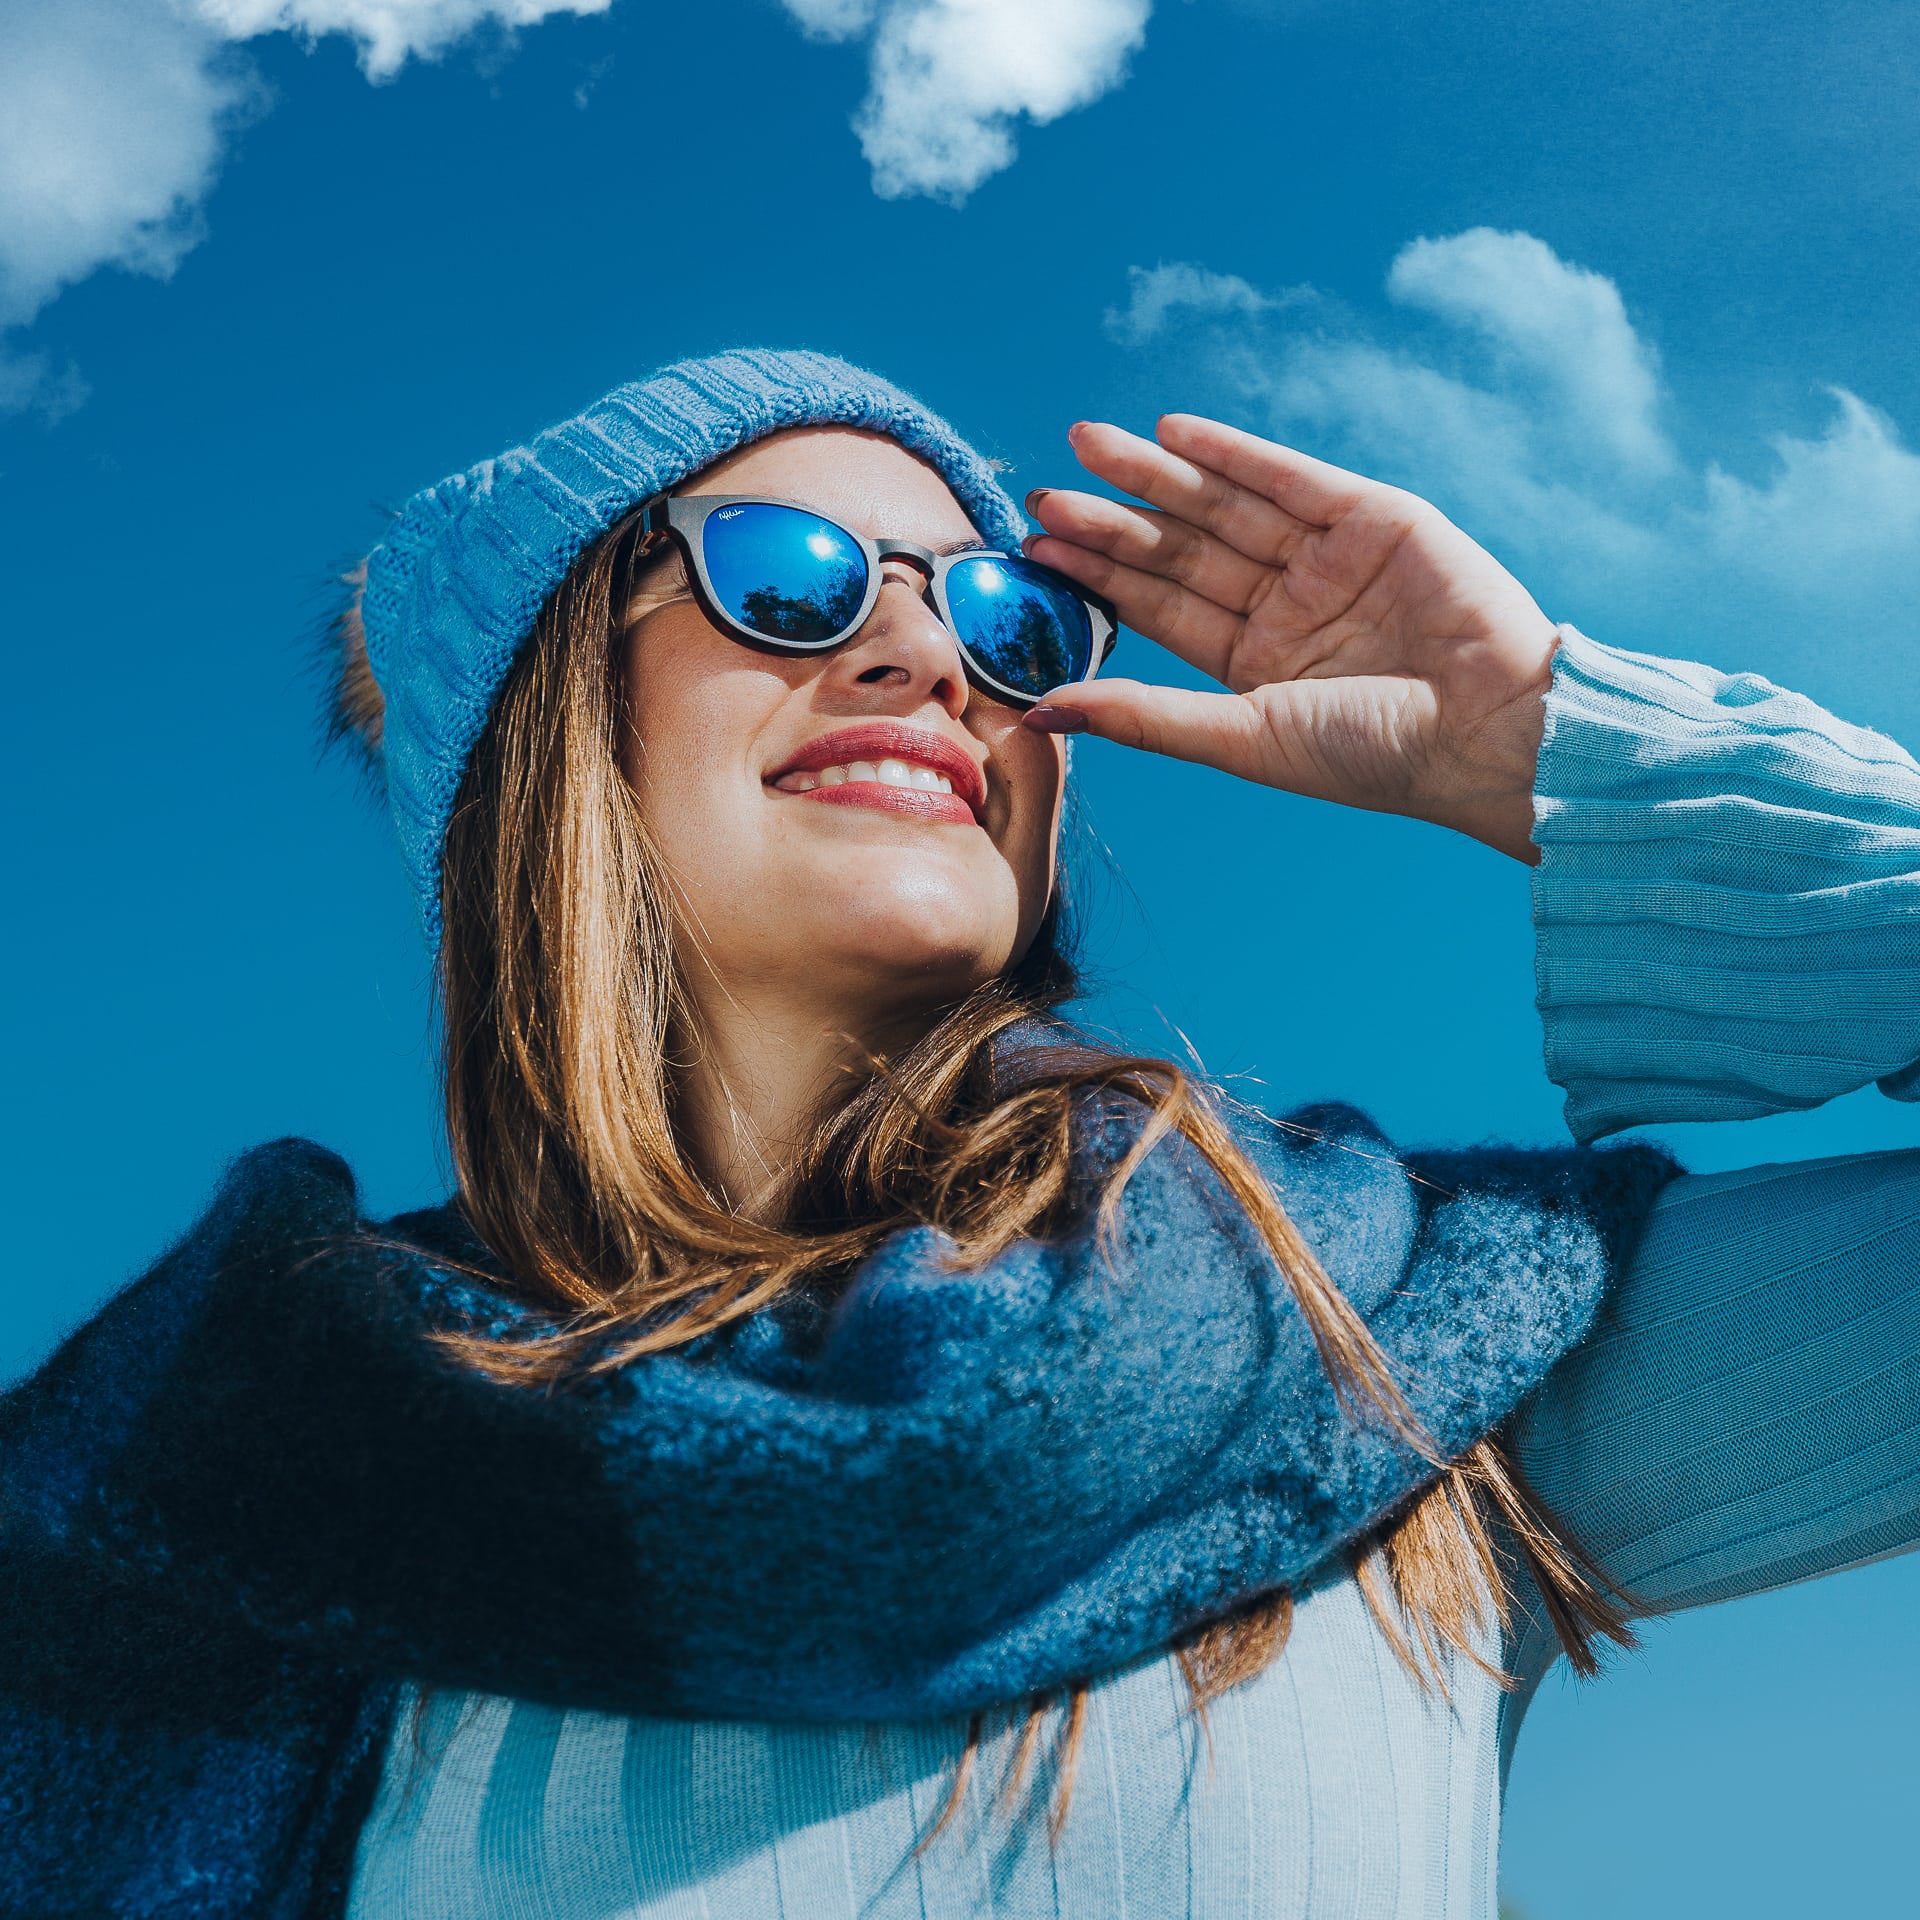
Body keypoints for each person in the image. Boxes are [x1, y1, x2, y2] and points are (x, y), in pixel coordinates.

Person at [5, 348, 1918, 1920]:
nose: (928, 659)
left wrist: (1550, 749)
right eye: (789, 575)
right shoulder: (199, 1483)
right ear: (537, 727)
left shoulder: (1402, 1365)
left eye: (1003, 618)